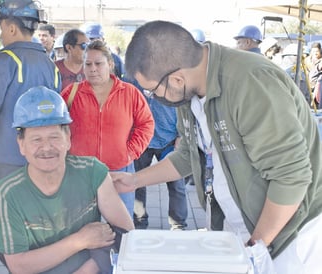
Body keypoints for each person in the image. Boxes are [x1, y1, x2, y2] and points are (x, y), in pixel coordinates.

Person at [112, 20, 322, 274]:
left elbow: (291, 177)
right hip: (246, 229)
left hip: (289, 235)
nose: (154, 99)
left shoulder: (251, 83)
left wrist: (257, 246)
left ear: (176, 79)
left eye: (152, 91)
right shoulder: (189, 93)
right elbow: (189, 155)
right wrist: (134, 180)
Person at [0, 86, 134, 273]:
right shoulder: (9, 192)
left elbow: (125, 234)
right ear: (22, 145)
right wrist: (80, 240)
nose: (46, 148)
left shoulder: (92, 171)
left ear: (68, 138)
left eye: (54, 137)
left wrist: (85, 271)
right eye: (36, 139)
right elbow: (18, 265)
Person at [0, 0, 61, 264]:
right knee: (28, 227)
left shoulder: (5, 61)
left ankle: (27, 267)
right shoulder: (50, 66)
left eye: (1, 28)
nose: (0, 34)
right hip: (41, 163)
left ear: (9, 27)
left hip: (8, 165)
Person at [61, 40, 154, 217]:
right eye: (88, 64)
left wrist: (130, 152)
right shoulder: (71, 93)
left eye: (98, 63)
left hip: (120, 172)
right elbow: (56, 127)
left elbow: (146, 124)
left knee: (120, 227)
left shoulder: (130, 92)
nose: (92, 69)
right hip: (80, 174)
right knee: (79, 225)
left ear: (110, 64)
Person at [134, 91, 188, 231]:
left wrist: (181, 135)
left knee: (176, 184)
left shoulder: (169, 75)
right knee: (137, 183)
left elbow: (184, 105)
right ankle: (139, 222)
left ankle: (178, 225)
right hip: (142, 140)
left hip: (169, 138)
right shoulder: (133, 76)